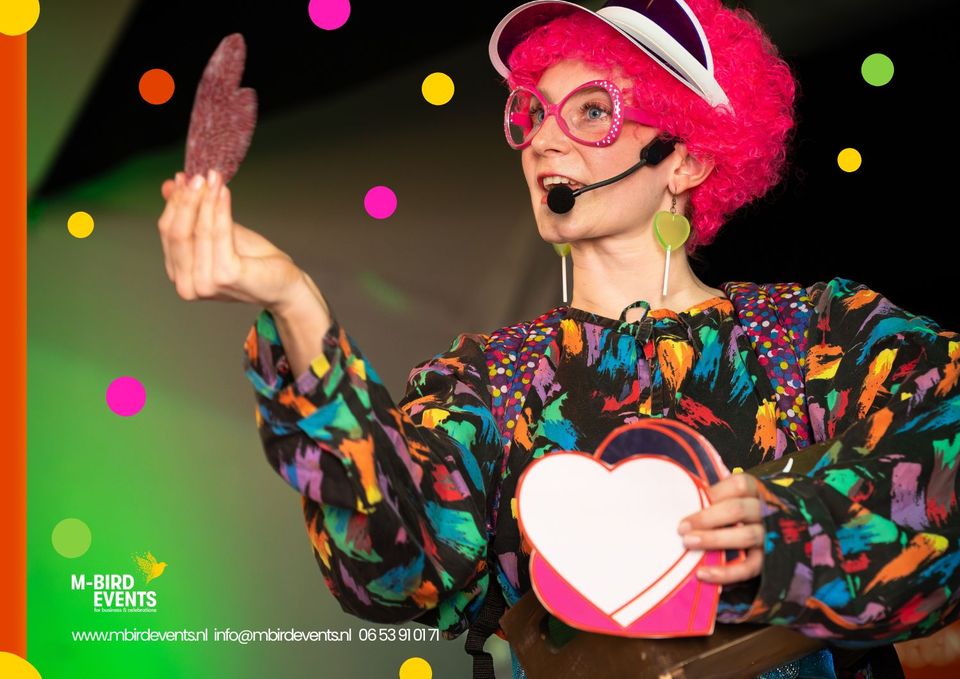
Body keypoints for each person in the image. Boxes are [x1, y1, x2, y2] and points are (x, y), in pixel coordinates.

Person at [155, 1, 960, 677]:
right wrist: (297, 304)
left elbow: (942, 483)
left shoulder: (817, 336)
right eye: (533, 112)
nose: (543, 140)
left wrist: (789, 529)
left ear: (684, 158)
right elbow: (390, 568)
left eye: (591, 111)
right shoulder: (489, 380)